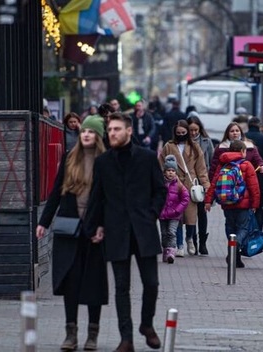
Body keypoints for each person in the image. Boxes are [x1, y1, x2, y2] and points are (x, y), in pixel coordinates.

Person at [85, 112, 167, 352]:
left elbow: (160, 190)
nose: (112, 133)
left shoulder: (148, 158)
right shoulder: (103, 162)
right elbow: (97, 197)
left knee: (151, 283)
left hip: (143, 230)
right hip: (116, 230)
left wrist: (151, 214)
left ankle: (146, 324)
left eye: (117, 129)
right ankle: (126, 338)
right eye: (110, 129)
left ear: (129, 131)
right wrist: (95, 226)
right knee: (121, 287)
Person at [36, 116, 108, 351]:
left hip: (95, 232)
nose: (86, 134)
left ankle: (93, 334)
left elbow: (112, 200)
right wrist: (43, 222)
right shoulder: (69, 158)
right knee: (71, 282)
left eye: (91, 131)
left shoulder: (106, 162)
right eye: (83, 131)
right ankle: (71, 333)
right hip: (69, 229)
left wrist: (105, 227)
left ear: (98, 136)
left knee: (94, 283)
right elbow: (56, 192)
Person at [205, 139, 260, 268]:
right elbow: (254, 187)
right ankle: (234, 249)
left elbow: (214, 183)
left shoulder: (223, 164)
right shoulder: (246, 164)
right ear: (242, 151)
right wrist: (255, 204)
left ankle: (235, 257)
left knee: (230, 227)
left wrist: (208, 200)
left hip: (227, 203)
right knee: (243, 228)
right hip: (243, 204)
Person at [159, 119, 210, 257]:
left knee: (191, 217)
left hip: (190, 184)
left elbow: (201, 168)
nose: (181, 134)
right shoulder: (169, 146)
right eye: (178, 133)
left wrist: (206, 185)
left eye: (183, 132)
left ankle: (189, 239)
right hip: (173, 184)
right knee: (177, 217)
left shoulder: (194, 147)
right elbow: (160, 164)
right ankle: (179, 245)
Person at [187, 113, 215, 255]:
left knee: (202, 213)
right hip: (188, 182)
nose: (193, 133)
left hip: (203, 182)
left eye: (195, 130)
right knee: (190, 213)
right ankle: (192, 241)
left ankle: (203, 242)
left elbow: (212, 159)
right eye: (191, 130)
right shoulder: (183, 143)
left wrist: (209, 183)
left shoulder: (206, 141)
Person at [209, 122, 263, 188]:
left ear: (241, 133)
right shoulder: (221, 148)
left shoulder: (250, 147)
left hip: (246, 182)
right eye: (232, 131)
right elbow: (214, 167)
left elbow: (258, 160)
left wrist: (261, 166)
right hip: (226, 183)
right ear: (227, 134)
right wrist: (212, 183)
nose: (235, 133)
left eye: (237, 131)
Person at [245, 116, 263, 230]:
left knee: (245, 207)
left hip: (243, 179)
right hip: (260, 179)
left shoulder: (243, 139)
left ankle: (246, 230)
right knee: (258, 207)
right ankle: (258, 231)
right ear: (259, 126)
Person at [159, 155, 190, 264]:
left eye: (173, 170)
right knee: (164, 233)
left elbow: (186, 198)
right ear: (164, 172)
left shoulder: (179, 185)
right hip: (162, 214)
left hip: (174, 215)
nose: (171, 173)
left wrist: (178, 210)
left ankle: (171, 252)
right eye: (168, 170)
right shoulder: (160, 184)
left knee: (171, 232)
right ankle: (165, 250)